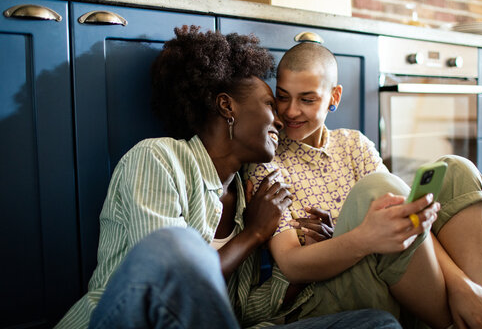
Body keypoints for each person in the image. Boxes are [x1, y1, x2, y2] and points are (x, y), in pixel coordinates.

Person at [55, 26, 401, 329]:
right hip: (125, 320)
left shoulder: (247, 195)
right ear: (227, 106)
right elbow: (169, 280)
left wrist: (311, 251)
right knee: (174, 247)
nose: (281, 119)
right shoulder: (158, 158)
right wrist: (253, 234)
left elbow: (246, 312)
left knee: (377, 322)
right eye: (271, 103)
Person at [245, 41, 482, 329]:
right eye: (282, 97)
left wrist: (462, 285)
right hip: (319, 296)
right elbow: (291, 264)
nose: (291, 111)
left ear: (334, 97)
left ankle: (476, 304)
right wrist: (366, 237)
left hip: (392, 278)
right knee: (377, 190)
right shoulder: (267, 160)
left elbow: (406, 220)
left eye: (307, 100)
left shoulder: (354, 144)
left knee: (458, 170)